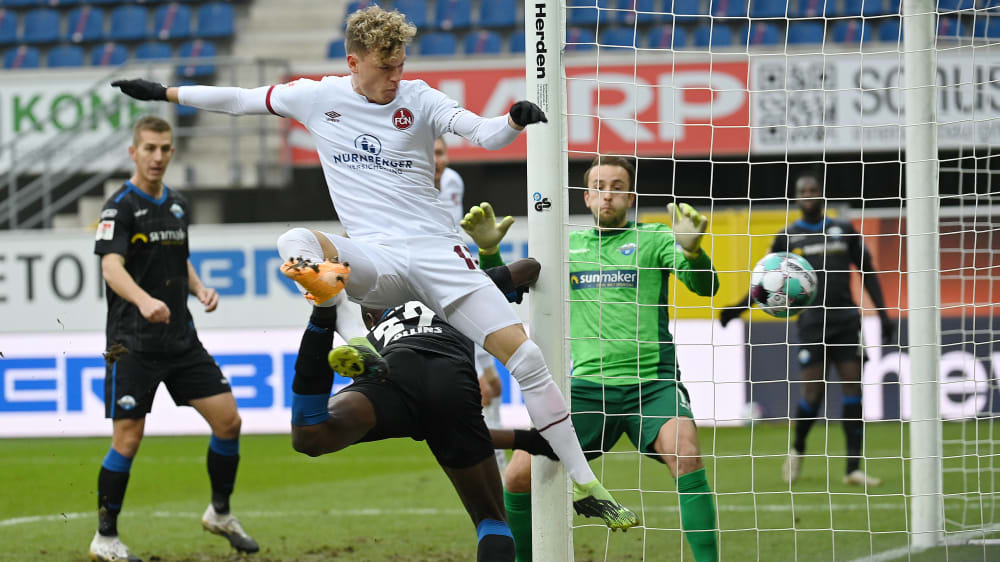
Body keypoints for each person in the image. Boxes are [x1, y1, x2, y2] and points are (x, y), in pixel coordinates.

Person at [111, 5, 637, 530]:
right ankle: (353, 342)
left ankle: (586, 485)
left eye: (401, 65)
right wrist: (163, 93)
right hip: (376, 259)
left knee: (526, 360)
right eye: (385, 68)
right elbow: (239, 100)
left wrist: (513, 120)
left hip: (439, 256)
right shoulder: (318, 96)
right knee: (294, 240)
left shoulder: (419, 96)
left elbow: (481, 132)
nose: (395, 77)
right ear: (353, 61)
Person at [462, 155, 721, 562]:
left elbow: (706, 288)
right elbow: (502, 295)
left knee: (686, 451)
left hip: (652, 386)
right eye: (600, 185)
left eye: (617, 186)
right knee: (516, 475)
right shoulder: (565, 248)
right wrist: (491, 252)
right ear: (586, 196)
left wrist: (693, 253)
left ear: (631, 196)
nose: (608, 194)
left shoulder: (654, 238)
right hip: (584, 390)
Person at [287, 256, 556, 561]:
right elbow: (530, 266)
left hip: (393, 373)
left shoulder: (373, 327)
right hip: (451, 377)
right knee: (491, 520)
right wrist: (497, 282)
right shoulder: (450, 292)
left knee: (310, 434)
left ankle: (321, 315)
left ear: (372, 317)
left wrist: (525, 441)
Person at [90, 116, 258, 562]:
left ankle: (219, 513)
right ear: (134, 152)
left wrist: (198, 287)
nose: (158, 157)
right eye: (149, 148)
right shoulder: (119, 207)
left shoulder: (178, 205)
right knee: (127, 440)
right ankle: (105, 539)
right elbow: (111, 268)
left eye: (165, 148)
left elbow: (178, 259)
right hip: (133, 343)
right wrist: (144, 301)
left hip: (181, 339)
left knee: (229, 421)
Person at [719, 170, 897, 487]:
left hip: (846, 320)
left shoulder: (843, 230)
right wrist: (737, 308)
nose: (809, 194)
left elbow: (867, 271)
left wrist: (882, 315)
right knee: (812, 394)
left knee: (853, 388)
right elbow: (767, 283)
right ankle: (798, 450)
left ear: (822, 194)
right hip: (812, 323)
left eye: (814, 189)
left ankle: (853, 468)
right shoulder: (788, 237)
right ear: (797, 197)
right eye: (804, 190)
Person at [434, 135, 508, 475]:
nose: (438, 161)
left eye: (441, 152)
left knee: (483, 406)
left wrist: (485, 368)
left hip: (449, 306)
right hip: (426, 326)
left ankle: (502, 497)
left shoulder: (450, 181)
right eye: (430, 153)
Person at [434, 136, 466, 227]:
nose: (435, 161)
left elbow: (455, 227)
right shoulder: (405, 185)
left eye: (439, 153)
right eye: (428, 154)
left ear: (447, 156)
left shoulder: (453, 179)